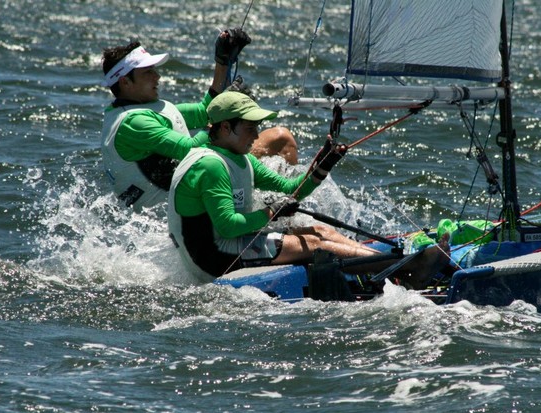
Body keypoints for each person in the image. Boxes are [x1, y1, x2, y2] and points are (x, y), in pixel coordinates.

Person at [167, 91, 450, 288]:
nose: (257, 134)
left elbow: (293, 189)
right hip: (213, 260)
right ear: (226, 127)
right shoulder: (211, 165)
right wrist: (272, 212)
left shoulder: (242, 159)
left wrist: (321, 166)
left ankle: (392, 268)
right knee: (314, 246)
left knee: (322, 232)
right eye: (251, 127)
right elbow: (228, 227)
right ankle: (410, 270)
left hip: (231, 244)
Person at [100, 29, 298, 211]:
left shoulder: (146, 108)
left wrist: (222, 62)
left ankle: (283, 206)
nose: (157, 76)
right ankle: (277, 213)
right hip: (172, 213)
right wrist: (224, 119)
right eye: (148, 72)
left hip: (194, 186)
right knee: (279, 140)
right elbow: (191, 149)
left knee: (279, 138)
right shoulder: (133, 123)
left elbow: (206, 111)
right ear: (125, 82)